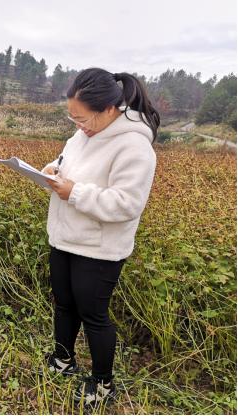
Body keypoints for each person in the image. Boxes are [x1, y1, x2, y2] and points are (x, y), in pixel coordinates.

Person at [41, 68, 159, 407]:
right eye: (72, 117)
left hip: (99, 248)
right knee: (64, 305)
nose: (77, 124)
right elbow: (67, 161)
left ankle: (103, 383)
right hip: (65, 237)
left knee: (94, 316)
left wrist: (74, 193)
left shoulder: (134, 146)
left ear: (108, 109)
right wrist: (51, 169)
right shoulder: (84, 133)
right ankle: (63, 360)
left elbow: (127, 203)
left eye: (82, 118)